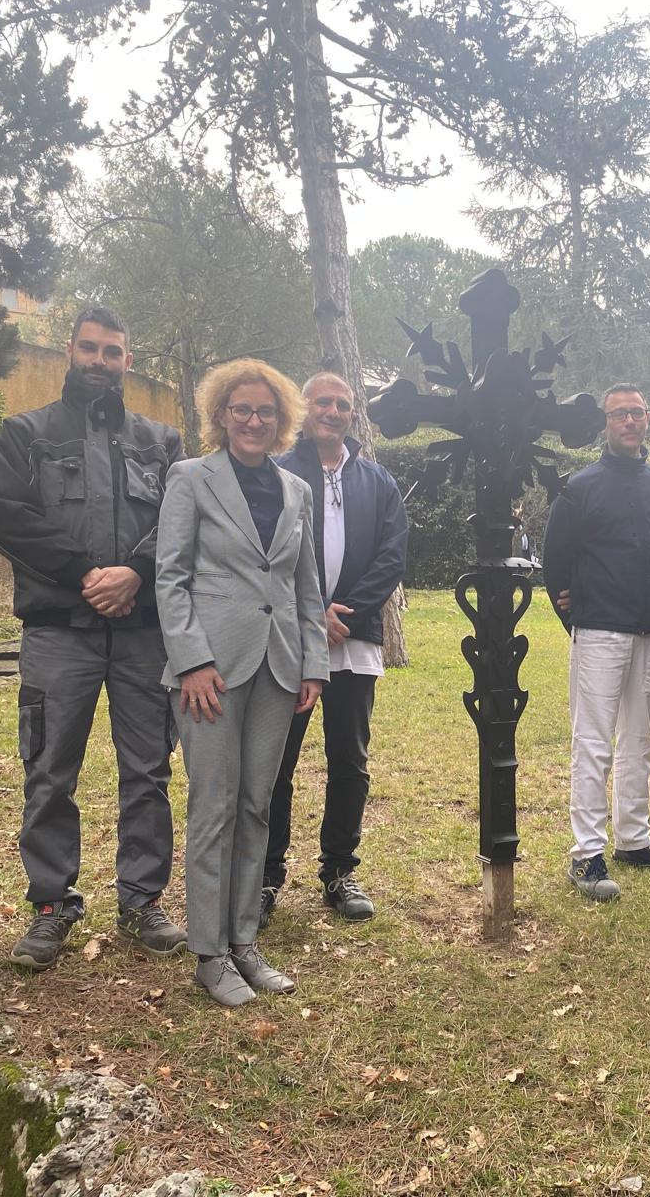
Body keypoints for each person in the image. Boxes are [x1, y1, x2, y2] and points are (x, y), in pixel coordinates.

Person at [0, 307, 187, 970]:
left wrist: (137, 573)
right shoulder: (24, 434)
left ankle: (142, 899)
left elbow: (182, 520)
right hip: (58, 633)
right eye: (90, 348)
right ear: (70, 350)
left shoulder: (162, 442)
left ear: (129, 359)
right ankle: (52, 905)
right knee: (48, 771)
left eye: (113, 350)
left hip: (143, 634)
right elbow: (10, 519)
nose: (100, 360)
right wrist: (85, 574)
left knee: (149, 772)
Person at [156, 359, 327, 1006]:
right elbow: (170, 577)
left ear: (281, 420)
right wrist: (192, 660)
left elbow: (306, 585)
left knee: (258, 804)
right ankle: (209, 952)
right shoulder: (190, 478)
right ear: (221, 415)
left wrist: (314, 664)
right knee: (215, 806)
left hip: (279, 668)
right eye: (242, 409)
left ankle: (244, 941)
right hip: (210, 673)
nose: (254, 420)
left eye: (265, 411)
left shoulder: (296, 490)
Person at [263, 372, 409, 926]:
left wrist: (343, 612)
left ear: (354, 414)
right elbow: (263, 554)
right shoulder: (276, 472)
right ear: (303, 409)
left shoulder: (377, 480)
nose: (333, 411)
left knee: (350, 759)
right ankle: (265, 875)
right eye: (322, 402)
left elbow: (392, 554)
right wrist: (309, 614)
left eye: (343, 404)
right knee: (276, 760)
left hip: (353, 636)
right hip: (288, 638)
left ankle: (340, 870)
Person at [542, 383, 650, 902]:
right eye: (619, 414)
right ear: (605, 423)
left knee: (639, 739)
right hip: (600, 628)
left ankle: (634, 839)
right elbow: (555, 561)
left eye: (637, 412)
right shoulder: (578, 488)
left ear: (648, 419)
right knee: (593, 741)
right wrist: (577, 615)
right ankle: (587, 853)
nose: (629, 421)